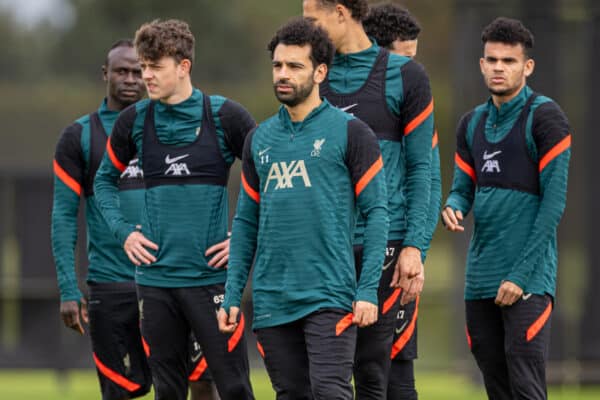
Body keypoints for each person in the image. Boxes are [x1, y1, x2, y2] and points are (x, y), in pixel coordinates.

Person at [218, 17, 389, 399]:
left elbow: (377, 212)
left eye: (295, 66)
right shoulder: (259, 139)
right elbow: (246, 222)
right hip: (272, 299)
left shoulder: (351, 132)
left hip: (330, 294)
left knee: (330, 393)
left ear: (320, 72)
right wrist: (232, 294)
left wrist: (368, 290)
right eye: (278, 66)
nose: (283, 74)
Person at [93, 19, 255, 400]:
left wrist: (245, 239)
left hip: (213, 282)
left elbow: (269, 181)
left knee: (233, 388)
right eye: (143, 66)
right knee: (168, 391)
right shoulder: (135, 121)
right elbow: (102, 182)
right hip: (155, 283)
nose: (145, 75)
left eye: (155, 66)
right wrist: (124, 233)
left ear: (184, 66)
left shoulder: (226, 117)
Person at [303, 1, 435, 398]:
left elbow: (421, 169)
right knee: (320, 371)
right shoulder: (310, 73)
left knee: (375, 372)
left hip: (386, 245)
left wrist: (414, 246)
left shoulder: (407, 76)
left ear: (341, 13)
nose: (306, 28)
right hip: (324, 247)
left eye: (313, 20)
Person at [441, 17, 571, 400]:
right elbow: (463, 188)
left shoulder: (546, 118)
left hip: (527, 280)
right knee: (496, 387)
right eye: (492, 60)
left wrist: (520, 275)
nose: (499, 67)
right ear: (481, 64)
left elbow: (554, 203)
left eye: (509, 61)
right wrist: (453, 205)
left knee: (526, 387)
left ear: (527, 67)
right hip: (480, 279)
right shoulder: (471, 124)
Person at [51, 39, 151, 400]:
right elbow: (63, 216)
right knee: (119, 391)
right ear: (105, 74)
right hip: (110, 287)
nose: (130, 79)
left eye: (138, 72)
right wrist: (67, 288)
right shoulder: (78, 135)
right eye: (122, 70)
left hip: (167, 282)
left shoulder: (165, 127)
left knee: (192, 382)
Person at [363, 4, 441, 399]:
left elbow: (430, 182)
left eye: (416, 57)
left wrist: (417, 252)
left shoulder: (413, 103)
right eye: (405, 58)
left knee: (397, 369)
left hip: (397, 257)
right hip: (345, 252)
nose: (413, 68)